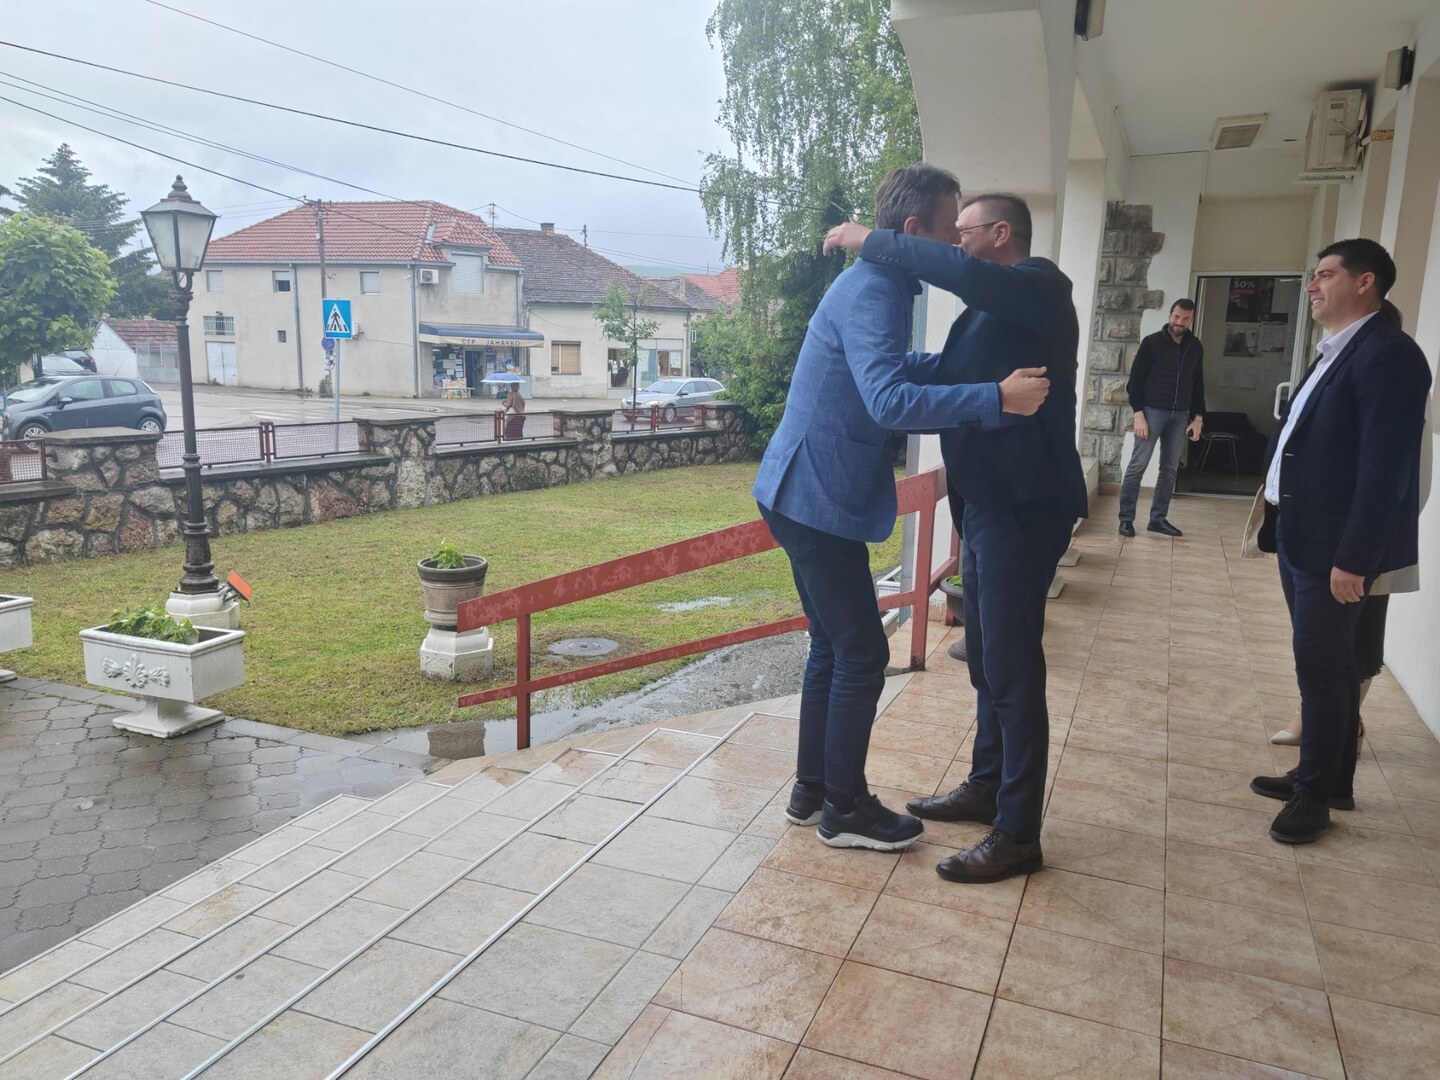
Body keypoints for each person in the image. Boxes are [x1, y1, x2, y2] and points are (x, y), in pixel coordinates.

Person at [755, 164, 1051, 854]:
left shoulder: (874, 285)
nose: (954, 247)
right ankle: (845, 808)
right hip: (814, 497)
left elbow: (884, 367)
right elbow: (888, 400)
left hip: (800, 491)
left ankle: (812, 791)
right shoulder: (876, 290)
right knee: (862, 653)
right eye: (949, 232)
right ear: (913, 231)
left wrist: (956, 371)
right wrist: (995, 398)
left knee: (833, 646)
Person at [825, 192, 1088, 883]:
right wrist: (865, 361)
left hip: (1023, 508)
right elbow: (943, 373)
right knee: (986, 661)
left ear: (1000, 234)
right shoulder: (988, 313)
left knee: (1012, 668)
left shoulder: (1039, 286)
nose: (952, 244)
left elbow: (962, 274)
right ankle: (987, 784)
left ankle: (1018, 832)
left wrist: (869, 239)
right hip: (987, 505)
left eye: (961, 232)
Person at [1249, 240, 1431, 844]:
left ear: (1365, 281)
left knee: (1325, 669)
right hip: (1302, 535)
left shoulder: (1390, 355)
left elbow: (1386, 470)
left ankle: (1314, 796)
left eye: (1325, 275)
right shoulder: (1338, 350)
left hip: (1334, 549)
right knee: (1327, 666)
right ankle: (1328, 778)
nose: (1312, 286)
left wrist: (1355, 557)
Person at [1266, 299, 1430, 748]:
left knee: (1356, 641)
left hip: (1362, 539)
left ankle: (1339, 733)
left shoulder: (1392, 366)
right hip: (1320, 532)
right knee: (1319, 646)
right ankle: (1325, 731)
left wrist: (1366, 545)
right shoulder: (1330, 363)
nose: (1315, 291)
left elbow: (1402, 475)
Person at [1118, 299, 1205, 537]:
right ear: (1170, 316)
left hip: (1181, 415)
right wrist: (1139, 415)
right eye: (1176, 317)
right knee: (1137, 466)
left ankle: (1158, 519)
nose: (1179, 322)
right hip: (1151, 412)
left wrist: (1198, 418)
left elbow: (1198, 384)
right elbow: (1134, 383)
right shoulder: (1151, 343)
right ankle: (1126, 519)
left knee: (1170, 469)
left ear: (1191, 320)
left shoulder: (1195, 346)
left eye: (1185, 319)